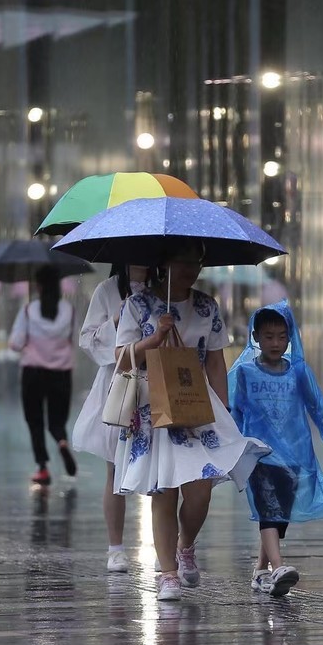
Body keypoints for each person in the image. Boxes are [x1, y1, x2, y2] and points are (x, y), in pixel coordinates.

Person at [113, 240, 270, 601]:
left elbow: (215, 359)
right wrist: (154, 338)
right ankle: (167, 572)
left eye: (196, 262)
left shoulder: (206, 306)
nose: (191, 269)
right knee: (163, 489)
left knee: (200, 489)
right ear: (163, 264)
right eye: (183, 262)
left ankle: (186, 545)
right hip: (154, 406)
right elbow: (121, 357)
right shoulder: (137, 306)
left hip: (196, 403)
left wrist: (224, 407)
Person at [227, 301, 323, 597]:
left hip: (294, 455)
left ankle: (260, 570)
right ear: (255, 337)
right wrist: (228, 446)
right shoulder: (244, 373)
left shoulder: (298, 372)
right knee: (268, 509)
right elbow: (234, 412)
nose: (276, 343)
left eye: (282, 336)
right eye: (268, 336)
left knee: (278, 514)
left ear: (290, 336)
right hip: (259, 454)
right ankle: (278, 567)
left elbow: (317, 408)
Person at [71, 264, 148, 572]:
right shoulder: (108, 290)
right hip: (120, 384)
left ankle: (174, 547)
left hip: (156, 379)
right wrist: (117, 318)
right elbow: (87, 340)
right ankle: (115, 547)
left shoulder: (164, 285)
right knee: (115, 468)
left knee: (163, 469)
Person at [9, 265, 77, 486]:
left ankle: (42, 467)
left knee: (35, 421)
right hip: (61, 373)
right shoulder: (69, 310)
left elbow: (16, 344)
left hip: (33, 374)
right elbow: (74, 340)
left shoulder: (29, 310)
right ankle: (62, 440)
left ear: (38, 286)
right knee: (57, 420)